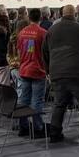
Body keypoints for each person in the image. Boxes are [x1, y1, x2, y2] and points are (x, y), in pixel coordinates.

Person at [42, 4, 79, 145]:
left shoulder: (52, 30)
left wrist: (48, 71)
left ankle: (54, 133)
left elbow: (44, 52)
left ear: (61, 14)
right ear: (75, 14)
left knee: (59, 104)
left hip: (58, 74)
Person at [16, 8, 48, 139]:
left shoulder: (22, 32)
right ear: (40, 18)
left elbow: (19, 51)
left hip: (24, 69)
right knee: (37, 101)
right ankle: (37, 127)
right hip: (38, 70)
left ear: (29, 18)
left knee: (24, 99)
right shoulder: (43, 33)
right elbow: (47, 53)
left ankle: (23, 126)